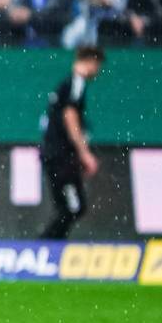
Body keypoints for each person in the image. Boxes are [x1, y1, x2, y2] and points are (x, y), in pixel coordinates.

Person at [40, 45, 104, 240]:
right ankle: (44, 245)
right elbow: (70, 115)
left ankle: (48, 245)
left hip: (56, 154)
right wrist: (84, 153)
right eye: (98, 65)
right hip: (60, 156)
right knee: (72, 208)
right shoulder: (77, 83)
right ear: (92, 61)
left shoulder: (67, 83)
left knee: (68, 208)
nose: (98, 71)